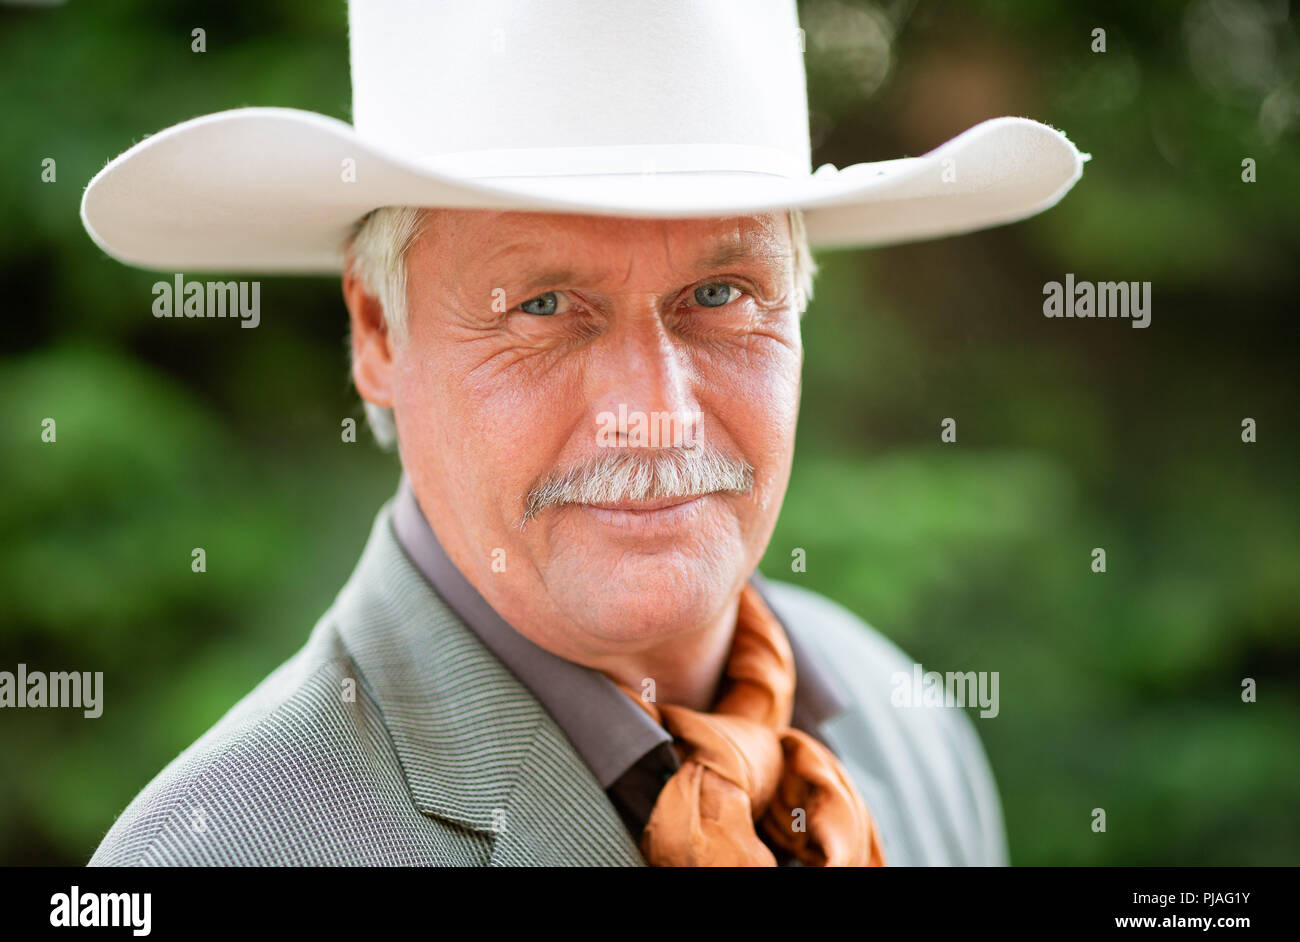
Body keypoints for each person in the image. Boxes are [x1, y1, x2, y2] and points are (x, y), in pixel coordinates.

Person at [81, 0, 1085, 866]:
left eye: (719, 291)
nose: (655, 413)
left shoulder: (913, 733)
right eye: (545, 304)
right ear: (379, 330)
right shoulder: (219, 852)